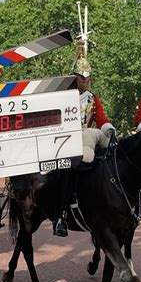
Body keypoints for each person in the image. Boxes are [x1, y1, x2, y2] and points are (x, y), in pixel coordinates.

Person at [53, 45, 115, 237]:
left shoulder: (91, 98)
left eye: (87, 76)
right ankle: (61, 216)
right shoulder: (63, 96)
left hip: (88, 139)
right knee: (67, 170)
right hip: (67, 140)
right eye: (81, 76)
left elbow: (101, 118)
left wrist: (108, 128)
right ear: (74, 76)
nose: (85, 79)